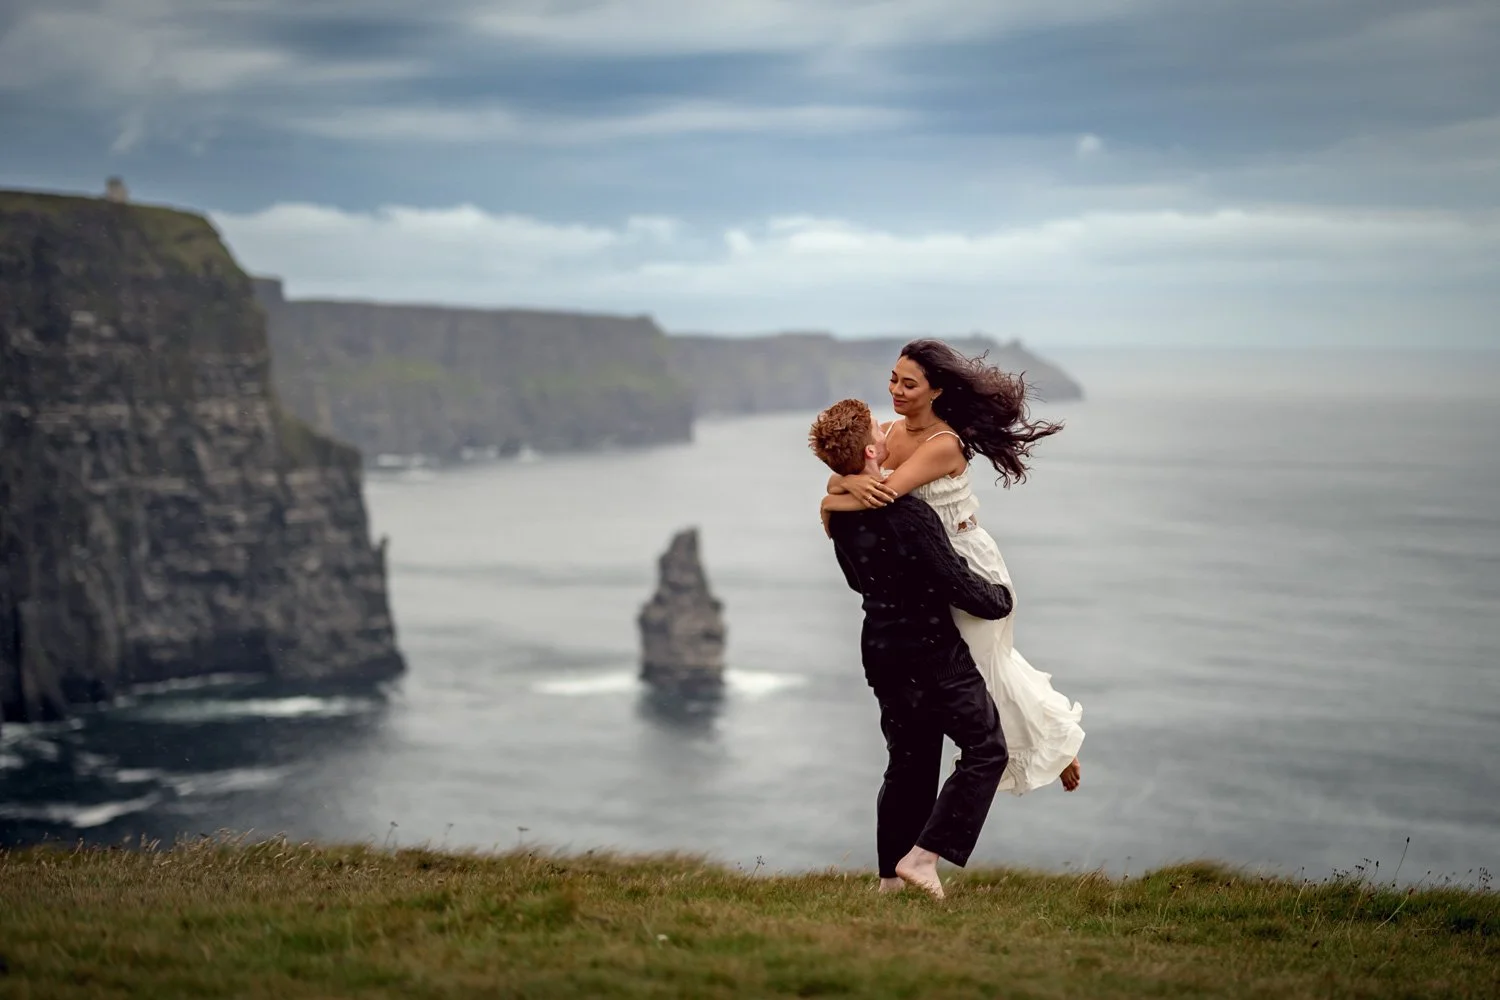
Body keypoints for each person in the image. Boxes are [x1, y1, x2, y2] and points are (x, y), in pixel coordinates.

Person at [820, 339, 1085, 794]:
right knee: (980, 665)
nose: (896, 391)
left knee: (983, 666)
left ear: (936, 390)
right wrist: (840, 484)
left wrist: (838, 495)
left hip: (966, 561)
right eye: (893, 379)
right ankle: (1018, 744)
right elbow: (854, 474)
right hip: (929, 563)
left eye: (909, 384)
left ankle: (1054, 744)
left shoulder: (944, 444)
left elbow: (886, 495)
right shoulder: (889, 431)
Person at [809, 398, 1013, 900]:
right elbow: (956, 583)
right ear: (873, 449)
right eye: (880, 427)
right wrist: (1001, 601)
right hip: (933, 652)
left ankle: (888, 881)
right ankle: (923, 858)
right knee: (987, 750)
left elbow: (858, 582)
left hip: (880, 649)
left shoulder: (841, 520)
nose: (888, 426)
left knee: (909, 763)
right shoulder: (911, 514)